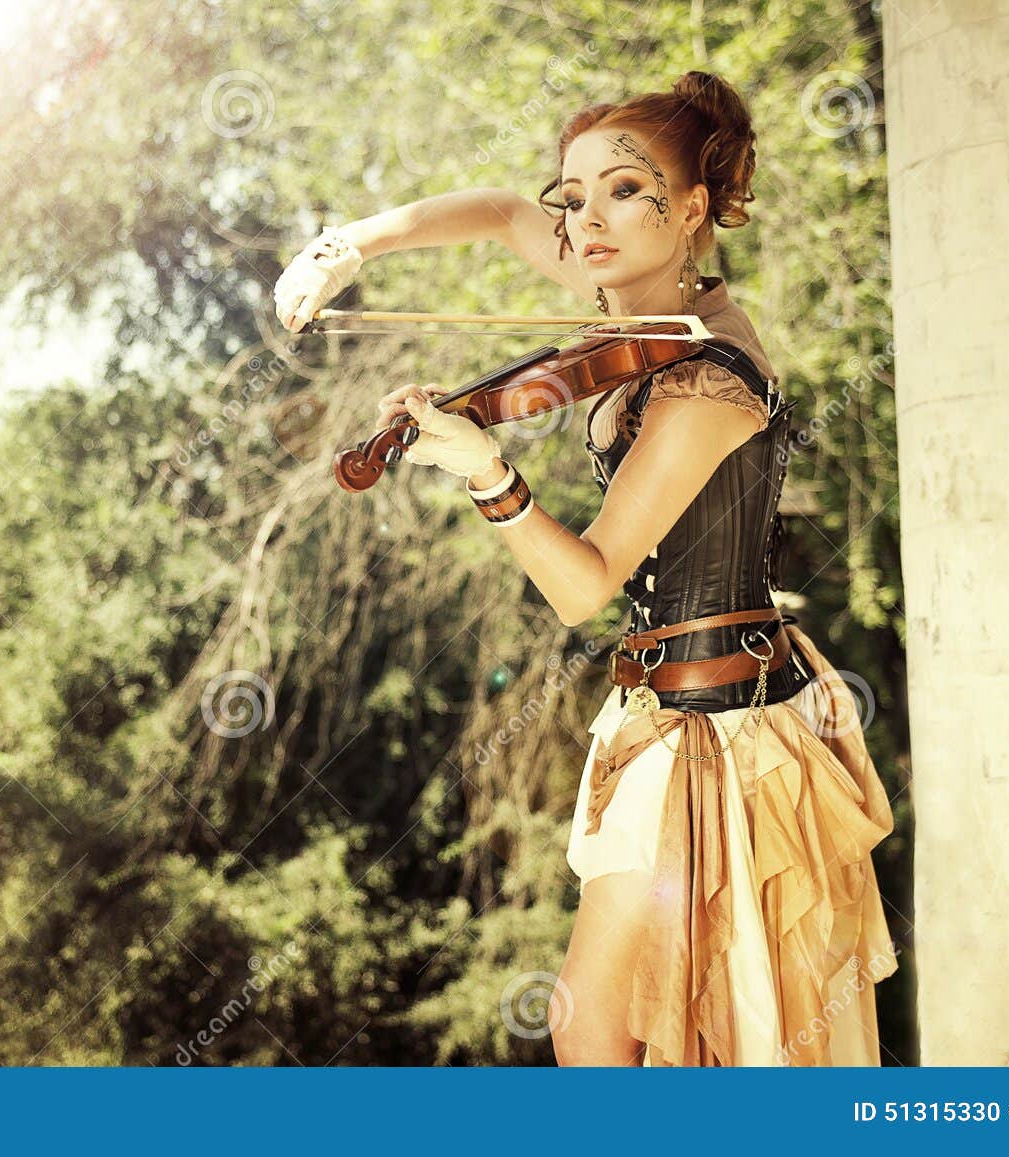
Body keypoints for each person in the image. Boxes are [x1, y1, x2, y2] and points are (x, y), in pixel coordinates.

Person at [272, 71, 898, 1067]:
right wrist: (349, 243)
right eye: (575, 194)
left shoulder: (707, 375)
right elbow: (494, 211)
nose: (584, 220)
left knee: (611, 1023)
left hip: (720, 730)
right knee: (656, 1029)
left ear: (692, 207)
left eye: (623, 189)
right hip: (665, 712)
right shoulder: (634, 294)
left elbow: (586, 582)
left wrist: (487, 473)